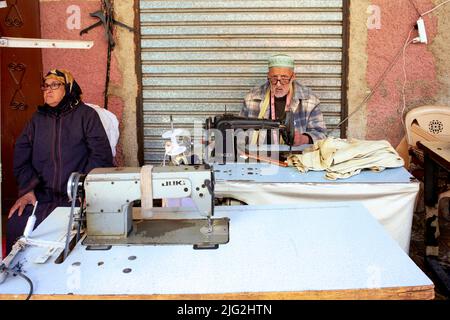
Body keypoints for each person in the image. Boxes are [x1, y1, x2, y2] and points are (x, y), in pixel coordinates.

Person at [6, 69, 113, 253]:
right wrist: (27, 189)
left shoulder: (86, 116)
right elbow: (21, 154)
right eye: (45, 86)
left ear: (69, 88)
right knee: (17, 222)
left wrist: (86, 188)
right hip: (42, 197)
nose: (48, 90)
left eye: (55, 85)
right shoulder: (37, 120)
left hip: (74, 197)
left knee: (79, 241)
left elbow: (100, 155)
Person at [240, 54, 327, 145]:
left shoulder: (309, 99)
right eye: (274, 78)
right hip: (260, 155)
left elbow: (321, 134)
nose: (278, 84)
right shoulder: (252, 98)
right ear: (268, 76)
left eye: (284, 78)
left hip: (295, 157)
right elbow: (240, 132)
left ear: (293, 77)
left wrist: (302, 139)